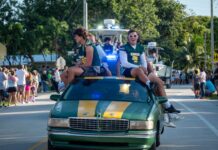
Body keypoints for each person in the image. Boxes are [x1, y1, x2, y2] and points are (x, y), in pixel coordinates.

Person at [119, 29, 180, 127]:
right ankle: (149, 84)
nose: (133, 37)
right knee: (139, 71)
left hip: (141, 71)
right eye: (131, 36)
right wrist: (139, 67)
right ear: (128, 37)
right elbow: (124, 63)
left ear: (138, 37)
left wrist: (145, 69)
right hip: (128, 70)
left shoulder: (140, 48)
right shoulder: (123, 47)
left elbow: (144, 61)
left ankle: (168, 106)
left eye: (135, 36)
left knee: (159, 82)